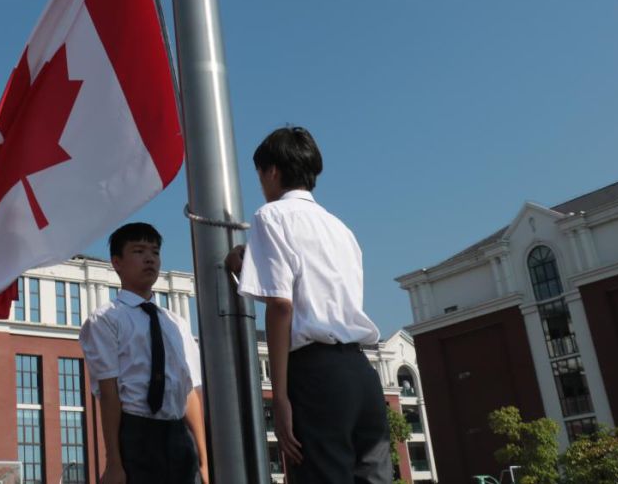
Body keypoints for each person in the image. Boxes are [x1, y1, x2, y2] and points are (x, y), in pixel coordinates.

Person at [226, 126, 389, 484]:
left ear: (271, 171)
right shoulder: (340, 228)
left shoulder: (270, 216)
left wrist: (280, 397)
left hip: (316, 375)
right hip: (362, 372)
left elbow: (282, 305)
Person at [80, 222, 209, 484]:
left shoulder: (176, 323)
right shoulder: (106, 319)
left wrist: (204, 462)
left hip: (177, 435)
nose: (150, 258)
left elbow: (190, 391)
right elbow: (109, 390)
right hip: (136, 430)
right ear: (117, 262)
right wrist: (114, 461)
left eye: (155, 252)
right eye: (139, 251)